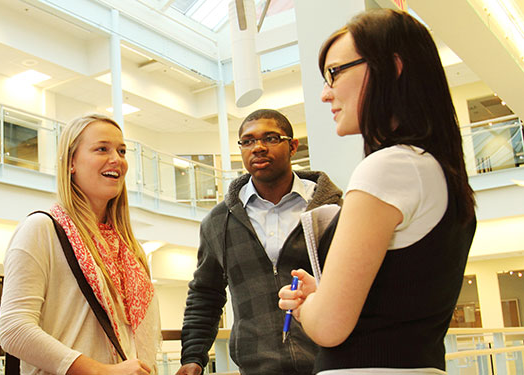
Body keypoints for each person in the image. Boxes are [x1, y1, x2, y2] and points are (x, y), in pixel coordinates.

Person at [277, 9, 477, 374]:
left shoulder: (388, 168)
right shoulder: (436, 170)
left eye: (334, 73)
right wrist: (322, 300)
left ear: (392, 66)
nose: (325, 94)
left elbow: (329, 327)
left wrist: (307, 308)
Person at [176, 109, 343, 375]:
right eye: (248, 141)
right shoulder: (219, 222)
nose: (259, 147)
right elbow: (205, 295)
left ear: (293, 146)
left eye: (271, 138)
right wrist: (193, 357)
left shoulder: (332, 211)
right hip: (257, 368)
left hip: (331, 364)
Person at [0, 114, 160, 375]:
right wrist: (101, 371)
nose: (116, 159)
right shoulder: (42, 229)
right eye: (102, 149)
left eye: (121, 151)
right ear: (71, 162)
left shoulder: (127, 248)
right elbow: (14, 329)